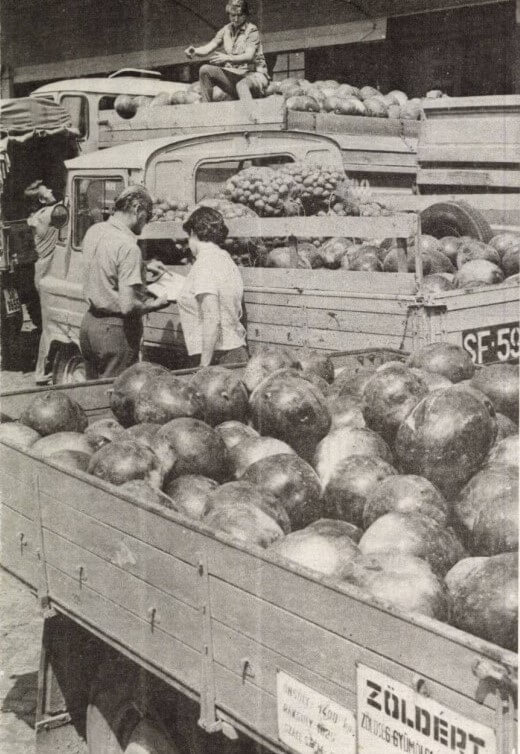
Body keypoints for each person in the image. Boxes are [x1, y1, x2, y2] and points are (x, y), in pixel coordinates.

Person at [79, 185, 169, 380]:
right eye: (149, 214)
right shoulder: (129, 247)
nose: (147, 222)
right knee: (117, 398)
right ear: (137, 209)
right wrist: (155, 304)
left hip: (89, 326)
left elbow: (106, 262)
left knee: (93, 395)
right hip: (115, 332)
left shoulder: (95, 230)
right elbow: (128, 306)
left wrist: (143, 266)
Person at [178, 206, 248, 367]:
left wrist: (203, 367)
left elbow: (212, 318)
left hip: (216, 358)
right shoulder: (226, 260)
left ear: (194, 233)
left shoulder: (205, 264)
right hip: (234, 350)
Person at [185, 0, 269, 102]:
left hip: (254, 77)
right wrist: (195, 51)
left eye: (240, 15)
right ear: (229, 15)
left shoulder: (252, 30)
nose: (236, 19)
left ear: (245, 15)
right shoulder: (226, 30)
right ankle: (206, 110)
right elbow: (209, 48)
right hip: (234, 77)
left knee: (241, 85)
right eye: (233, 15)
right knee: (205, 70)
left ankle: (250, 115)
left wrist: (228, 58)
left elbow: (249, 56)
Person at [24, 181, 59, 384]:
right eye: (48, 189)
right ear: (41, 199)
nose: (53, 189)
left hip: (42, 270)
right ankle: (40, 371)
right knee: (48, 324)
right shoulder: (51, 214)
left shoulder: (37, 216)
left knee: (49, 322)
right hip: (46, 271)